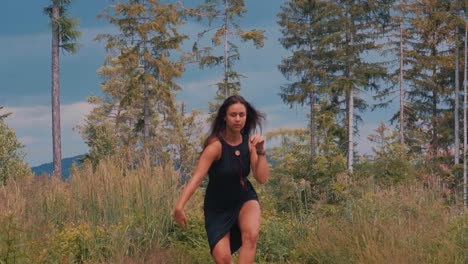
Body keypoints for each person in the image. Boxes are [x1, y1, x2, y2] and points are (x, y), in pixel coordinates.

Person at [173, 95, 269, 264]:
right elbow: (197, 177)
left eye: (241, 115)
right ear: (225, 116)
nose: (238, 119)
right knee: (223, 259)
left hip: (244, 197)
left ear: (246, 116)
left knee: (251, 236)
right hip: (217, 206)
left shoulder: (249, 143)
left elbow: (261, 178)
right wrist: (179, 206)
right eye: (233, 115)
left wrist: (260, 151)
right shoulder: (215, 147)